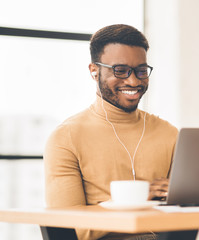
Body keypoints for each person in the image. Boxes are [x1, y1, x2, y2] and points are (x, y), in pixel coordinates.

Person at [44, 24, 177, 240]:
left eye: (141, 71)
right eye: (120, 71)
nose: (133, 81)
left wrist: (183, 200)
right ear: (94, 70)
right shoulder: (66, 137)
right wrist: (133, 201)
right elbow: (68, 227)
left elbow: (183, 219)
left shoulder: (169, 134)